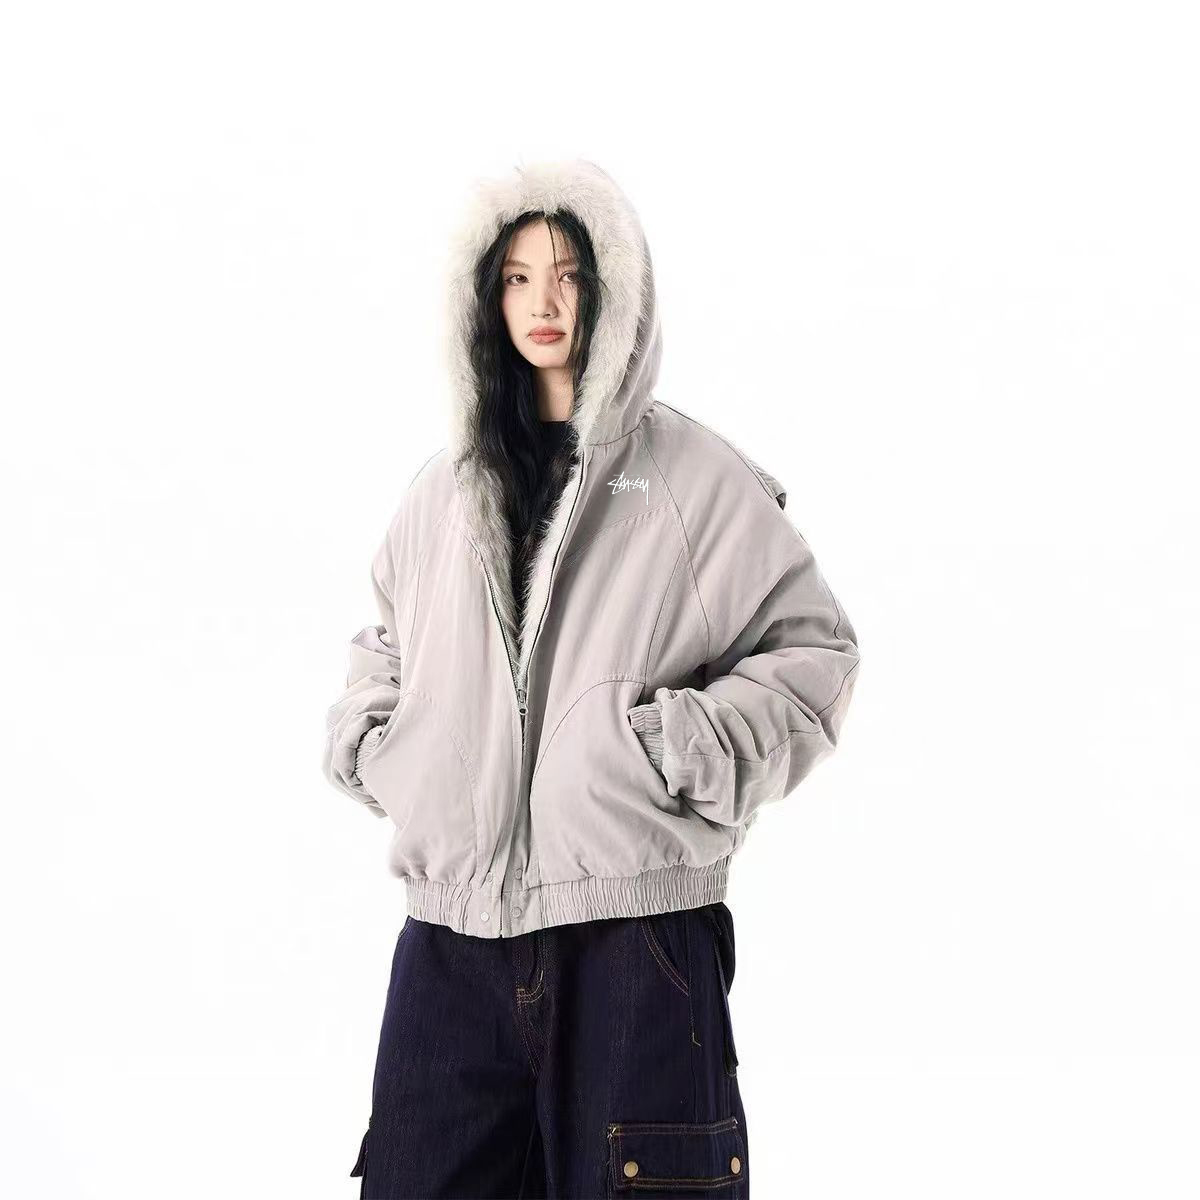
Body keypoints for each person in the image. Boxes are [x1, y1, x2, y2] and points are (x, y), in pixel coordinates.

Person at [322, 158, 861, 1199]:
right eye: (518, 278)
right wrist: (384, 740)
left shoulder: (693, 480)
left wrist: (672, 748)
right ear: (485, 299)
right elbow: (386, 638)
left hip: (635, 937)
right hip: (451, 941)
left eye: (569, 275)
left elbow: (815, 652)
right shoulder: (444, 491)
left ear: (614, 292)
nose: (545, 302)